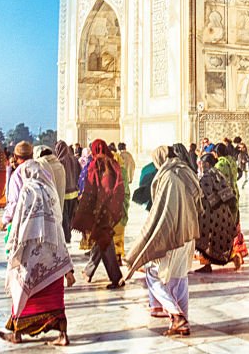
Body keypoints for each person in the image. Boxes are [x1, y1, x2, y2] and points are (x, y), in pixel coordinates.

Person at [124, 145, 202, 337]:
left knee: (153, 275)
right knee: (180, 277)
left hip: (173, 234)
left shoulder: (167, 177)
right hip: (189, 232)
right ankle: (183, 323)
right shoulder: (186, 172)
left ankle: (176, 315)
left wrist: (149, 238)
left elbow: (162, 211)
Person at [0, 161, 74, 347]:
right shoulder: (50, 191)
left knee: (21, 288)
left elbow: (19, 222)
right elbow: (57, 221)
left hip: (31, 251)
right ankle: (62, 335)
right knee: (54, 296)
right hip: (53, 250)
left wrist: (13, 246)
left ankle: (17, 333)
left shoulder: (27, 191)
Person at [72, 139, 125, 289]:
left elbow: (92, 187)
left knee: (104, 240)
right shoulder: (113, 164)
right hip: (111, 209)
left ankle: (116, 277)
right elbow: (117, 187)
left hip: (99, 210)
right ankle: (89, 271)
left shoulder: (96, 164)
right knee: (101, 239)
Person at [195, 153, 237, 273]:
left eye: (201, 163)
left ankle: (208, 264)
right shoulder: (217, 173)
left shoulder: (207, 176)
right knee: (216, 238)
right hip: (222, 211)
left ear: (206, 164)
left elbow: (202, 192)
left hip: (211, 212)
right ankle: (231, 257)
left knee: (205, 237)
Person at [54, 141, 81, 243]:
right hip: (74, 192)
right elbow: (80, 174)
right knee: (70, 215)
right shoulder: (75, 159)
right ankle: (68, 232)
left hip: (64, 193)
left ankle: (67, 236)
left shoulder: (59, 162)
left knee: (64, 216)